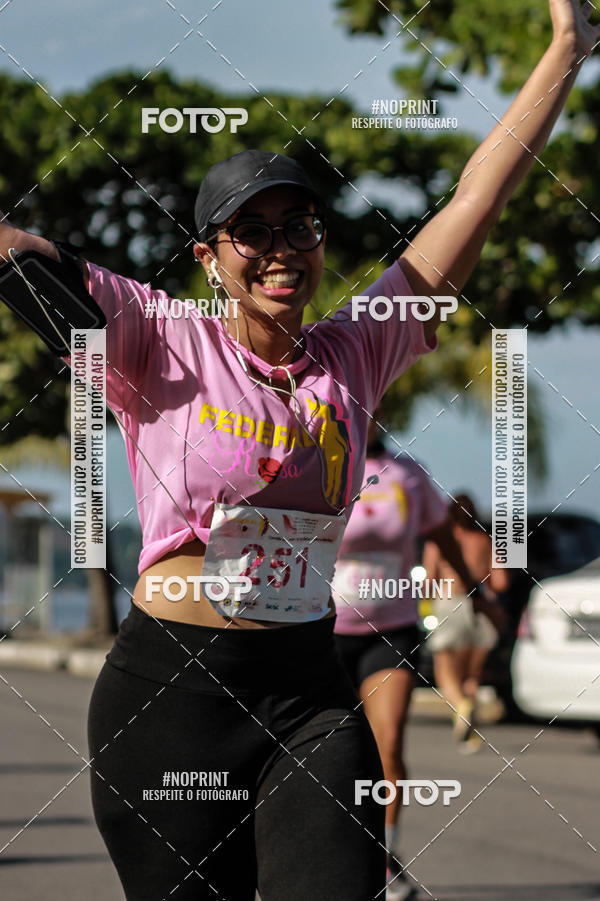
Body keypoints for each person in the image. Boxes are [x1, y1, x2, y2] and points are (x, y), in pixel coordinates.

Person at [0, 4, 596, 896]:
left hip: (309, 692)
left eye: (301, 227)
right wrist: (23, 257)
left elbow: (477, 195)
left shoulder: (359, 348)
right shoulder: (161, 338)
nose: (282, 251)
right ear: (211, 256)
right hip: (172, 700)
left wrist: (568, 48)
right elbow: (26, 254)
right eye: (255, 232)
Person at [331, 419, 492, 900]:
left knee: (389, 745)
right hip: (323, 628)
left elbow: (444, 541)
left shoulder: (409, 475)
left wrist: (478, 598)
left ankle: (382, 857)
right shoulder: (320, 464)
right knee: (323, 750)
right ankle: (323, 846)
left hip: (391, 629)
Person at [424, 494, 511, 752]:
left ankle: (461, 705)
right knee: (471, 676)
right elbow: (502, 582)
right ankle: (470, 736)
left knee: (445, 671)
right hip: (479, 610)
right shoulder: (485, 542)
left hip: (449, 605)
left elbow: (429, 580)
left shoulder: (440, 542)